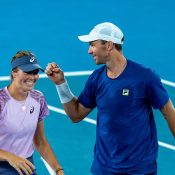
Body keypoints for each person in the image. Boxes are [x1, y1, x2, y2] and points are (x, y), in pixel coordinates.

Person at [45, 22, 175, 175]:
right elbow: (76, 114)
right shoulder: (96, 79)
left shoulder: (145, 77)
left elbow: (170, 114)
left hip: (140, 169)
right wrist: (61, 84)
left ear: (108, 45)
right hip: (104, 169)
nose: (89, 51)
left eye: (93, 45)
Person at [0, 51, 64, 175]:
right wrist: (10, 157)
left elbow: (40, 141)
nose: (32, 77)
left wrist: (58, 170)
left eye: (35, 73)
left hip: (27, 167)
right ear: (14, 73)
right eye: (27, 72)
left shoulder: (38, 98)